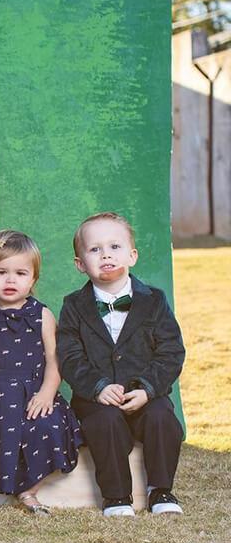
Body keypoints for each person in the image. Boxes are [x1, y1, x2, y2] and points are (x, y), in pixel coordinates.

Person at [57, 212, 186, 517]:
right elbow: (69, 357)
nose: (106, 255)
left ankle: (160, 490)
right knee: (104, 423)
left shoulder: (154, 300)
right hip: (97, 400)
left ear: (132, 255)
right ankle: (116, 496)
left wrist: (147, 389)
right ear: (80, 264)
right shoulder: (73, 305)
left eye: (115, 247)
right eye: (95, 249)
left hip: (147, 396)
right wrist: (98, 388)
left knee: (162, 419)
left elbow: (171, 352)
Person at [0, 230, 81, 514]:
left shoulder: (42, 315)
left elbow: (55, 360)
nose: (10, 280)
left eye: (20, 273)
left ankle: (29, 490)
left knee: (49, 425)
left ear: (33, 279)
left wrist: (47, 394)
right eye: (1, 272)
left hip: (32, 392)